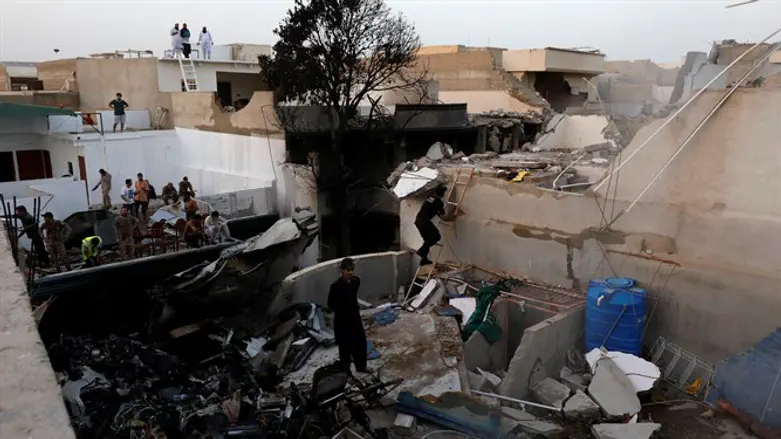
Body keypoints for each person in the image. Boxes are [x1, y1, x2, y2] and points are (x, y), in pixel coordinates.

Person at [327, 258, 368, 374]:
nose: (350, 272)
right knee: (344, 346)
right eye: (347, 270)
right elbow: (330, 304)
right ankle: (346, 372)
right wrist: (342, 310)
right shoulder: (335, 286)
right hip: (342, 319)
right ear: (342, 270)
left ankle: (361, 366)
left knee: (359, 342)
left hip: (354, 317)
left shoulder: (356, 281)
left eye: (352, 270)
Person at [414, 185, 454, 266]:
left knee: (427, 240)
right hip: (425, 222)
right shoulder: (438, 203)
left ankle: (423, 259)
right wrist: (454, 217)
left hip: (418, 221)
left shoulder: (429, 198)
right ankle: (421, 251)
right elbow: (444, 218)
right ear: (442, 194)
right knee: (436, 237)